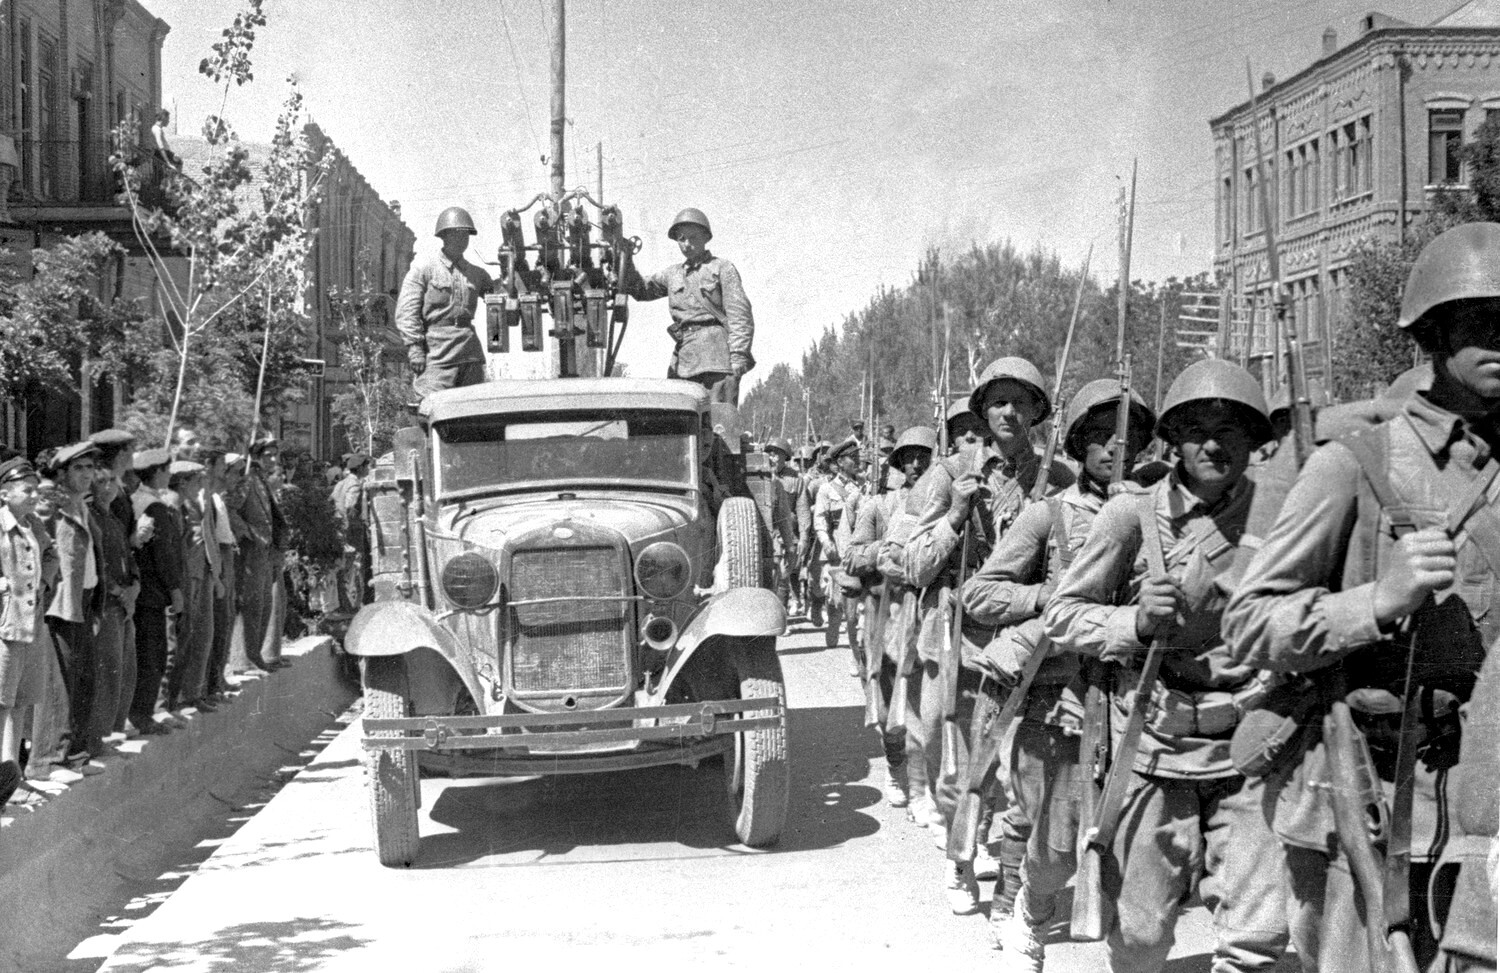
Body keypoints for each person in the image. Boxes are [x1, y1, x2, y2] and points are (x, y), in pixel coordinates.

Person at [1223, 222, 1500, 973]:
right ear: (1434, 336)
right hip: (1376, 793)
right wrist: (1376, 600)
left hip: (1491, 797)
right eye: (1482, 322)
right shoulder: (1358, 463)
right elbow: (1247, 622)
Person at [1045, 359, 1292, 973]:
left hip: (1253, 744)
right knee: (1143, 932)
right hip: (1152, 744)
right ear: (1174, 439)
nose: (1214, 443)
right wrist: (1133, 623)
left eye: (1233, 428)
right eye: (1198, 428)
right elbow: (1063, 616)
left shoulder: (1281, 511)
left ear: (1255, 440)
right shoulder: (1130, 516)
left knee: (1258, 935)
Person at [962, 379, 1156, 964]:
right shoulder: (1051, 516)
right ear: (1076, 444)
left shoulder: (1157, 514)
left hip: (1132, 698)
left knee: (1131, 837)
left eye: (1128, 439)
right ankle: (1030, 907)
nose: (1113, 449)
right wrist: (1046, 599)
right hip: (1055, 696)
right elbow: (980, 594)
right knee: (1051, 844)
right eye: (1098, 437)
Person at [906, 357, 1073, 918]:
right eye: (998, 401)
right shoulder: (951, 472)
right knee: (966, 760)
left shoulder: (1061, 478)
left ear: (1039, 414)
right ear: (981, 410)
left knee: (1025, 768)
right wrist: (955, 516)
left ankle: (1012, 881)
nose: (1009, 412)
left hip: (1034, 637)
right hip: (966, 635)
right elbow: (912, 562)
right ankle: (960, 859)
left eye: (1021, 402)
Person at [847, 425, 935, 808]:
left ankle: (922, 781)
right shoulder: (879, 506)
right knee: (886, 706)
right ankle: (895, 762)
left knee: (925, 704)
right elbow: (853, 556)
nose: (917, 464)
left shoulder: (942, 505)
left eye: (925, 456)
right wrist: (891, 546)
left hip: (928, 615)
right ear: (899, 462)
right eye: (910, 457)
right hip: (886, 616)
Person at [623, 208, 754, 404]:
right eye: (681, 238)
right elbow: (641, 290)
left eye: (693, 237)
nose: (687, 244)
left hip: (717, 361)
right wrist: (625, 258)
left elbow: (740, 315)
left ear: (705, 237)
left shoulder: (721, 268)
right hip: (683, 362)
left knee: (720, 427)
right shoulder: (672, 274)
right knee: (682, 423)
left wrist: (738, 357)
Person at [41, 441, 106, 775]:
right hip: (61, 604)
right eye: (78, 469)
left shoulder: (83, 506)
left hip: (85, 601)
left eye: (90, 469)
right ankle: (51, 760)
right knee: (62, 682)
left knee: (83, 680)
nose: (86, 475)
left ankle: (76, 756)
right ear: (62, 474)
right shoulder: (53, 506)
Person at [0, 457, 58, 809]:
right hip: (5, 623)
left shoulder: (31, 523)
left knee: (21, 698)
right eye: (28, 490)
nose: (35, 495)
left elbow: (49, 555)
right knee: (2, 700)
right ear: (4, 493)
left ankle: (11, 776)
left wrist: (43, 585)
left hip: (29, 623)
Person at [396, 206, 494, 399]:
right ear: (445, 236)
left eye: (466, 235)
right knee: (432, 410)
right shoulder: (424, 269)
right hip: (436, 356)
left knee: (471, 414)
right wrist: (415, 348)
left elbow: (500, 301)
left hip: (469, 355)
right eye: (457, 235)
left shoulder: (477, 274)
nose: (462, 240)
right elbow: (406, 311)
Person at [129, 449, 183, 736]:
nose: (170, 474)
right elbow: (164, 555)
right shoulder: (155, 506)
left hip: (140, 590)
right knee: (153, 655)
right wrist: (175, 589)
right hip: (152, 592)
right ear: (158, 472)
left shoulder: (135, 499)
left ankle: (139, 713)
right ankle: (142, 714)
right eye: (167, 469)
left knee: (143, 653)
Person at [814, 437, 864, 657]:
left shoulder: (862, 488)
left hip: (858, 549)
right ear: (840, 462)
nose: (856, 461)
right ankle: (833, 624)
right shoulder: (827, 489)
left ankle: (855, 649)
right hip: (836, 548)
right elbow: (820, 519)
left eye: (857, 457)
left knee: (855, 604)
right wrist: (825, 541)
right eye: (852, 458)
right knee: (835, 600)